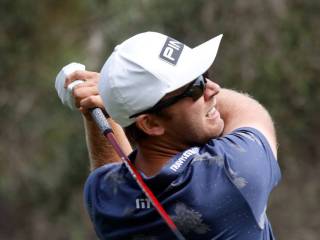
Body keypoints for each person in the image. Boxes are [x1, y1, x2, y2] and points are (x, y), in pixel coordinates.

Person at [65, 32, 281, 240]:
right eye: (196, 88)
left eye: (205, 75)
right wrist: (111, 100)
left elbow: (116, 175)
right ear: (151, 123)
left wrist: (109, 105)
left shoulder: (103, 199)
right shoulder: (231, 173)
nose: (213, 89)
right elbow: (251, 112)